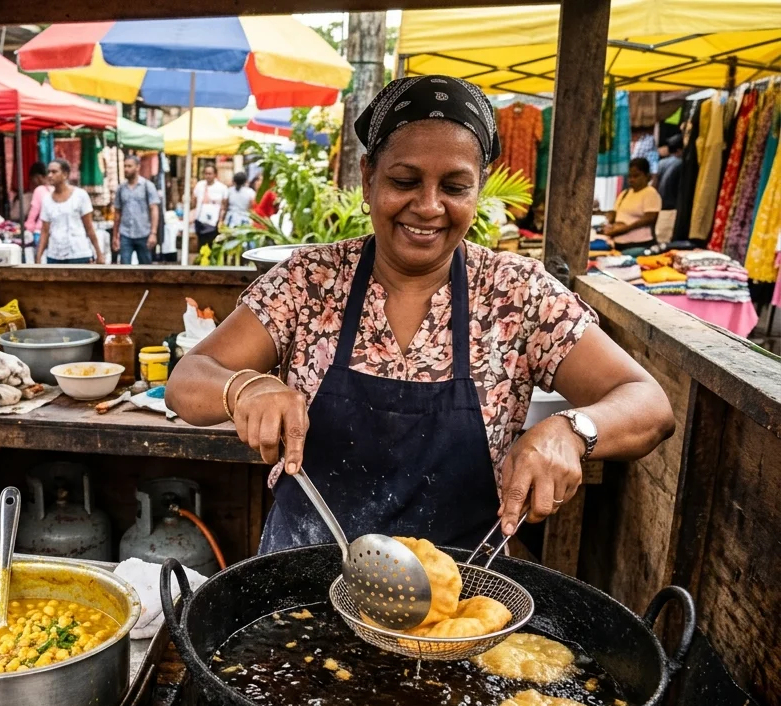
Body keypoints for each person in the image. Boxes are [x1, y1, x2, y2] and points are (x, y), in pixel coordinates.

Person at [166, 75, 675, 554]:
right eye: (404, 180)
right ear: (368, 178)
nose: (428, 206)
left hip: (461, 595)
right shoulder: (310, 281)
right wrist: (243, 388)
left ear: (478, 189)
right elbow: (187, 380)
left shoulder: (517, 295)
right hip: (304, 577)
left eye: (454, 187)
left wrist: (573, 430)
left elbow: (650, 406)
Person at [35, 159, 104, 265]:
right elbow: (45, 231)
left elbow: (89, 227)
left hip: (79, 253)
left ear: (65, 174)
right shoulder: (46, 200)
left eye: (54, 172)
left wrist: (99, 253)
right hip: (55, 254)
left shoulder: (80, 195)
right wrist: (38, 257)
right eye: (48, 172)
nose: (50, 175)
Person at [601, 158, 662, 251]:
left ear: (647, 176)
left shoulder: (650, 193)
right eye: (630, 176)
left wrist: (624, 229)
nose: (632, 179)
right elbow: (614, 213)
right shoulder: (624, 193)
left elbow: (650, 218)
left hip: (639, 245)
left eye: (636, 176)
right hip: (619, 244)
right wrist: (609, 223)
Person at [112, 154, 160, 265]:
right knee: (124, 269)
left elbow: (154, 209)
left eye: (129, 166)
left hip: (144, 233)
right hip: (126, 234)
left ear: (137, 167)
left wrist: (153, 233)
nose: (126, 169)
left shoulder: (147, 186)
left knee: (145, 269)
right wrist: (115, 236)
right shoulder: (121, 188)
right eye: (125, 166)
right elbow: (117, 212)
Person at [191, 164, 228, 253]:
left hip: (213, 223)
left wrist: (221, 219)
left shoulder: (222, 188)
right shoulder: (199, 185)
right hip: (200, 220)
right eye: (206, 173)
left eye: (210, 174)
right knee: (201, 246)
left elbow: (224, 206)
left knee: (213, 246)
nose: (208, 176)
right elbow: (194, 201)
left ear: (215, 174)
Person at [654, 135, 683, 245]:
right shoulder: (681, 164)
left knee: (660, 242)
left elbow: (655, 184)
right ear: (680, 150)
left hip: (661, 207)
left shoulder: (661, 163)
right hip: (673, 208)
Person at [22, 161, 52, 237]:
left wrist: (28, 228)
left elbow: (33, 214)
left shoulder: (39, 190)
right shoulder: (56, 189)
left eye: (32, 179)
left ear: (38, 177)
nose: (32, 182)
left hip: (40, 231)